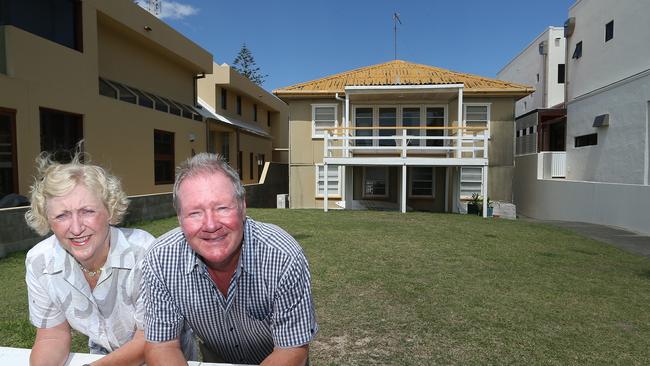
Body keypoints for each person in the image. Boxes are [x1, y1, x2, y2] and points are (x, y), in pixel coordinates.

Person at [142, 153, 318, 366]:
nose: (210, 225)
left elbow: (292, 349)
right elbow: (162, 345)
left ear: (243, 207)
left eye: (222, 208)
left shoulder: (283, 256)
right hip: (217, 359)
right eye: (195, 213)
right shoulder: (160, 260)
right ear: (179, 218)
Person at [24, 152, 196, 366]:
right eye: (62, 215)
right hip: (103, 356)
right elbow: (52, 336)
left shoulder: (145, 253)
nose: (76, 228)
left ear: (109, 210)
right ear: (47, 220)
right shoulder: (40, 262)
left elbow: (154, 339)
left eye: (87, 211)